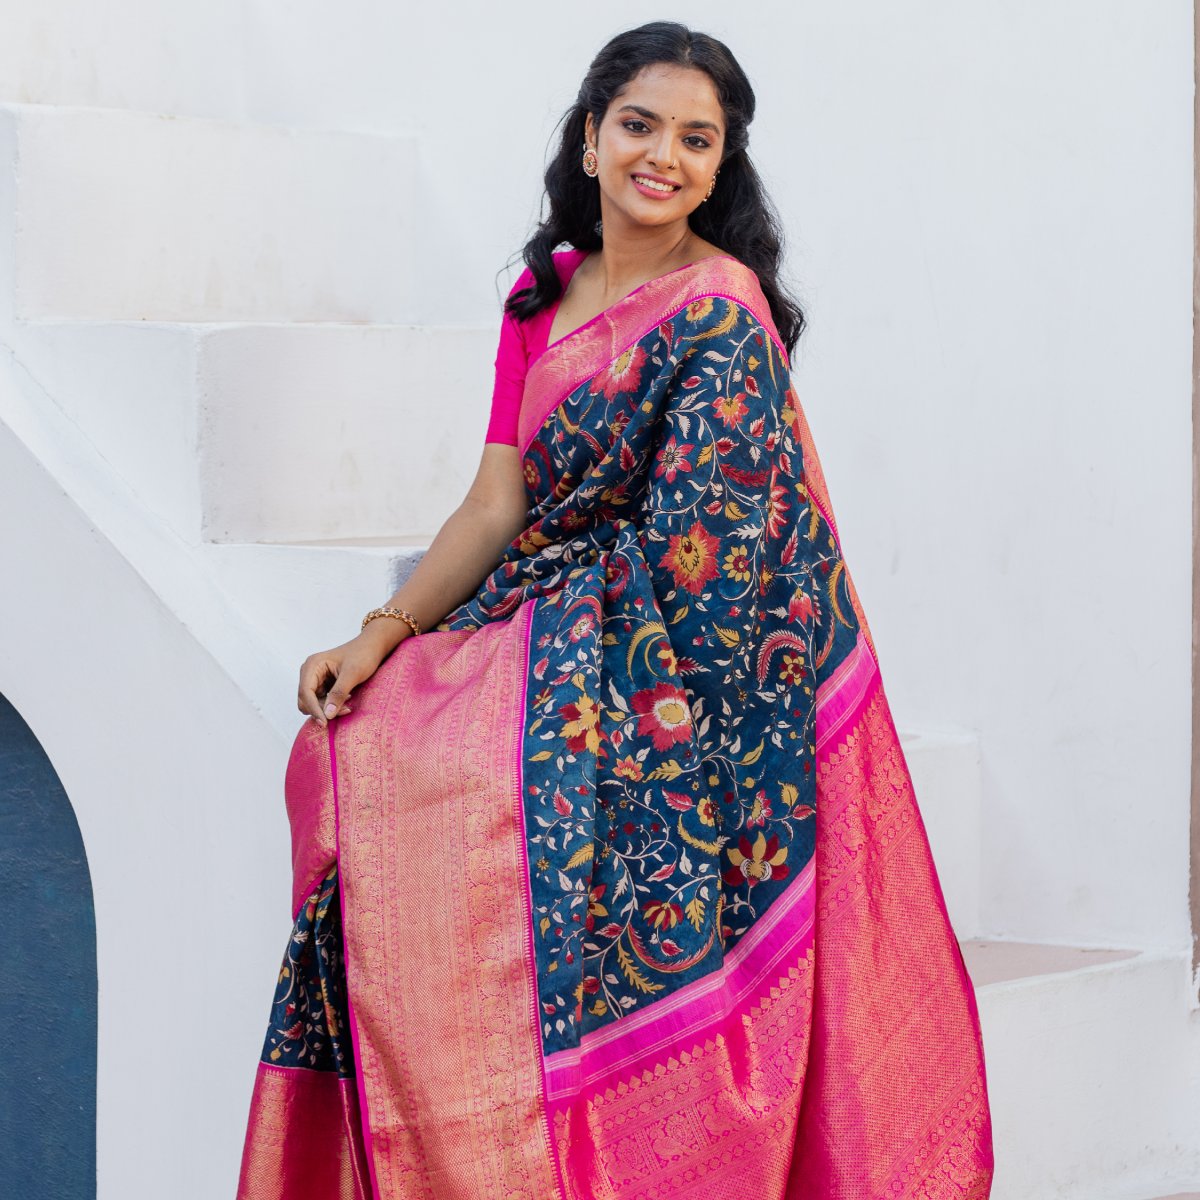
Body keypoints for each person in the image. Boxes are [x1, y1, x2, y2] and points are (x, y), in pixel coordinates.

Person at [236, 21, 995, 1200]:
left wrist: (551, 641)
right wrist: (384, 634)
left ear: (720, 163)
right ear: (590, 139)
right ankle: (453, 1135)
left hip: (673, 660)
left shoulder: (719, 306)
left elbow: (718, 542)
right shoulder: (540, 297)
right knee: (348, 755)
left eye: (699, 140)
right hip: (551, 605)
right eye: (640, 127)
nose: (666, 157)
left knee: (506, 786)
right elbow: (497, 506)